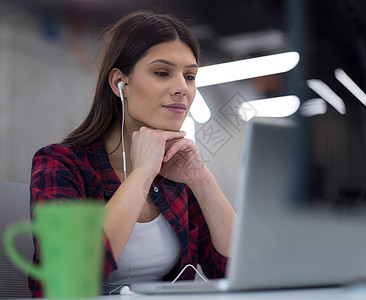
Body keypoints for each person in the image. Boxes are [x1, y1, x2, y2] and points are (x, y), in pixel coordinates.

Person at [29, 10, 235, 297]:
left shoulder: (176, 176)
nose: (182, 89)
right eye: (162, 73)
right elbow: (67, 276)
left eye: (190, 76)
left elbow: (233, 271)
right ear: (119, 84)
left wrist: (202, 181)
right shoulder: (61, 164)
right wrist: (141, 174)